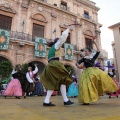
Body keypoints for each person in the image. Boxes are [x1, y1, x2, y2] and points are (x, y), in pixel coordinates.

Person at [76, 38, 118, 105]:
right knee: (85, 85)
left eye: (86, 51)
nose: (85, 52)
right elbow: (77, 63)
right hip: (86, 72)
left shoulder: (93, 58)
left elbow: (98, 51)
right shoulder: (83, 58)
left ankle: (107, 90)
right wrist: (78, 66)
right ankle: (86, 100)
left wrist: (94, 42)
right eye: (85, 51)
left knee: (103, 77)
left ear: (90, 52)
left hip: (93, 71)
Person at [41, 26, 74, 106]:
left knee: (60, 81)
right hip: (54, 65)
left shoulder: (52, 48)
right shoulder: (56, 45)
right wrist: (68, 29)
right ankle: (65, 100)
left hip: (51, 65)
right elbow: (63, 38)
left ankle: (47, 101)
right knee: (63, 79)